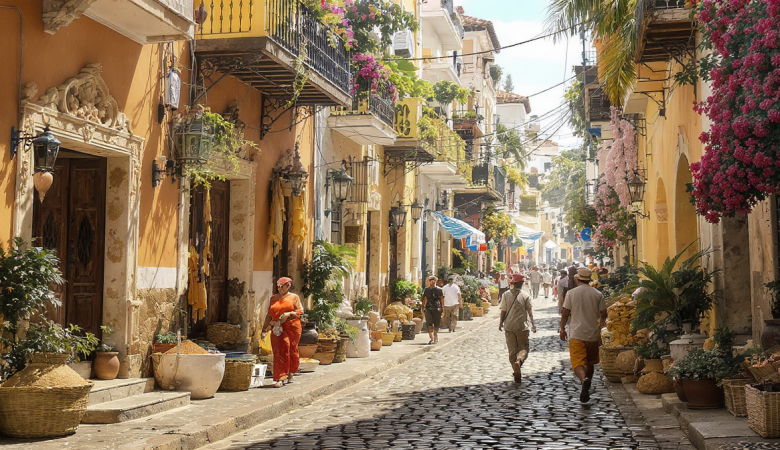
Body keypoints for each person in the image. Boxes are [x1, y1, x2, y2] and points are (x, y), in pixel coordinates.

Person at [560, 268, 607, 403]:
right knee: (590, 362)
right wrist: (602, 325)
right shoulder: (597, 294)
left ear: (577, 279)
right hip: (593, 333)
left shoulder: (571, 293)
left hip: (577, 333)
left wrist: (562, 328)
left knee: (578, 363)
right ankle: (588, 382)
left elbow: (565, 312)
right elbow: (603, 313)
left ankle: (583, 379)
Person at [261, 277, 304, 388]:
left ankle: (290, 371)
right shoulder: (273, 298)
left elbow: (300, 311)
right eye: (278, 286)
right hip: (277, 326)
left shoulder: (294, 297)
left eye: (282, 286)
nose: (279, 289)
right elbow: (269, 314)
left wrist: (289, 313)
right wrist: (264, 328)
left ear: (288, 286)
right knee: (279, 350)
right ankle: (280, 377)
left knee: (291, 349)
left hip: (292, 327)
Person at [499, 274, 536, 383]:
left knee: (512, 350)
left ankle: (516, 370)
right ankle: (519, 362)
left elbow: (503, 310)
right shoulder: (525, 296)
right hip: (522, 326)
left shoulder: (505, 295)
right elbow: (530, 312)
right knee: (523, 348)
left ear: (512, 284)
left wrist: (501, 322)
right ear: (522, 283)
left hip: (509, 326)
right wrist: (533, 325)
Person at [422, 275, 444, 344]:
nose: (432, 281)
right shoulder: (427, 289)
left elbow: (442, 299)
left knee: (437, 323)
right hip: (428, 307)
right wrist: (423, 306)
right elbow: (425, 298)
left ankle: (435, 335)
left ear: (435, 281)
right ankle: (431, 337)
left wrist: (442, 307)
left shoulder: (439, 290)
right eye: (430, 280)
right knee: (429, 322)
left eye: (433, 280)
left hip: (437, 307)